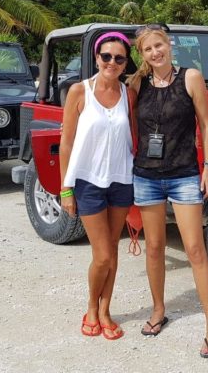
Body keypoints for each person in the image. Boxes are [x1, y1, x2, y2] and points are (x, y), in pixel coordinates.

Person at [127, 25, 208, 359]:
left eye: (159, 45)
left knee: (195, 250)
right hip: (147, 176)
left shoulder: (190, 77)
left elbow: (207, 123)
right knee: (153, 248)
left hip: (184, 175)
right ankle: (158, 310)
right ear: (142, 54)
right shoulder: (137, 84)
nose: (156, 52)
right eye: (148, 49)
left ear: (169, 45)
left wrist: (207, 165)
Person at [59, 31, 135, 341]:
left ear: (125, 62)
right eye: (106, 56)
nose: (112, 62)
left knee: (112, 253)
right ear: (96, 57)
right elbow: (66, 143)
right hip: (88, 183)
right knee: (102, 255)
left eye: (119, 58)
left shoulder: (129, 94)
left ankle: (106, 311)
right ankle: (91, 307)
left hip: (121, 182)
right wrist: (66, 189)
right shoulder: (80, 91)